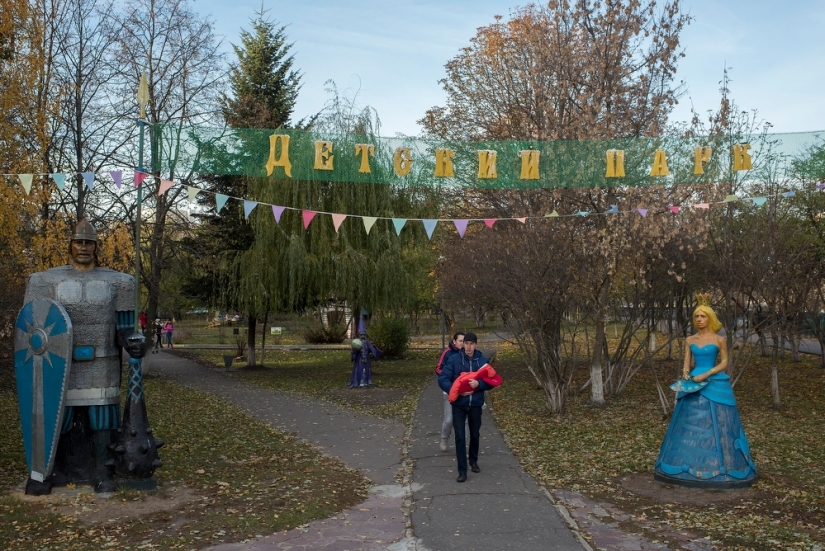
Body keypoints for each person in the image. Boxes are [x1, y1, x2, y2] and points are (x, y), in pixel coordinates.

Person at [17, 219, 146, 494]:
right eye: (79, 242)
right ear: (70, 245)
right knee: (57, 416)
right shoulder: (45, 281)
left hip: (102, 363)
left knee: (102, 418)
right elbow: (32, 328)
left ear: (97, 247)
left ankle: (102, 472)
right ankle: (51, 471)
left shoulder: (119, 282)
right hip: (58, 365)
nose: (84, 247)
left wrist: (132, 341)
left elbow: (124, 328)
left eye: (89, 242)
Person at [654, 296, 757, 488]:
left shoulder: (720, 339)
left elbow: (724, 362)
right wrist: (685, 375)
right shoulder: (690, 339)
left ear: (710, 318)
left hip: (713, 381)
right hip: (692, 381)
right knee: (687, 419)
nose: (699, 319)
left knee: (718, 420)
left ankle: (722, 466)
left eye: (703, 316)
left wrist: (707, 374)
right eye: (696, 316)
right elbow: (686, 361)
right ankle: (682, 463)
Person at [438, 332, 494, 483]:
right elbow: (443, 378)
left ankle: (473, 461)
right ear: (463, 345)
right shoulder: (455, 359)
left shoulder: (482, 361)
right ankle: (462, 471)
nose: (468, 347)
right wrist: (456, 390)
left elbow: (493, 380)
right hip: (459, 405)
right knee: (460, 437)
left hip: (475, 404)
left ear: (476, 344)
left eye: (471, 343)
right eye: (466, 343)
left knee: (475, 435)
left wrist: (479, 384)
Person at [435, 332, 464, 452]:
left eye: (464, 341)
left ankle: (464, 446)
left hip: (463, 391)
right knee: (449, 419)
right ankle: (444, 438)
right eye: (460, 341)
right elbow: (438, 368)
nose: (462, 343)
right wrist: (448, 379)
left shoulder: (467, 354)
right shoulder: (448, 353)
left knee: (464, 420)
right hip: (449, 390)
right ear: (454, 342)